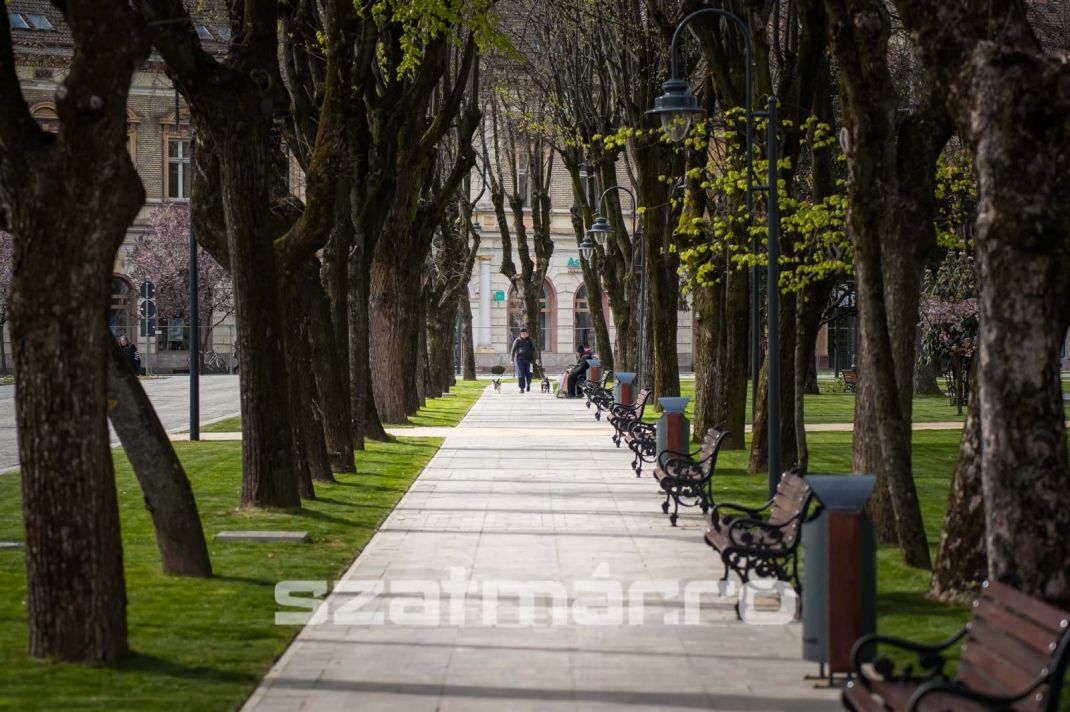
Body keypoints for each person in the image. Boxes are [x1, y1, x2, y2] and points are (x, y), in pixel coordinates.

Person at [509, 326, 540, 393]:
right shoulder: (517, 340)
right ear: (520, 334)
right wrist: (511, 360)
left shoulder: (531, 340)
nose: (523, 334)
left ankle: (528, 384)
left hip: (530, 361)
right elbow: (513, 350)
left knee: (529, 374)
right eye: (522, 333)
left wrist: (537, 359)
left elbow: (535, 350)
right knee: (521, 374)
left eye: (525, 333)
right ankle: (522, 388)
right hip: (520, 360)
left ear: (527, 334)